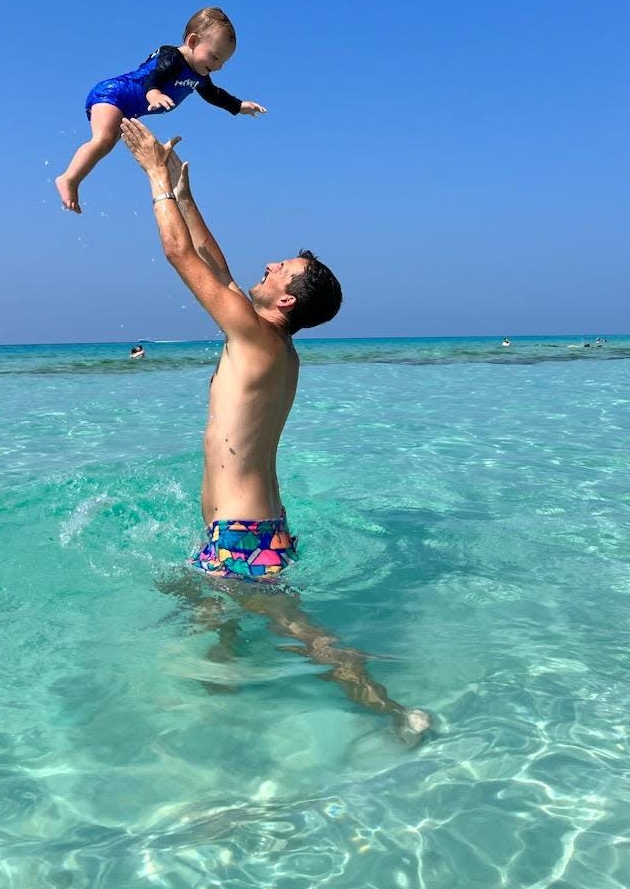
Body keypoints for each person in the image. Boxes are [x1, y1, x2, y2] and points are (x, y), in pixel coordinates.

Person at [119, 117, 431, 741]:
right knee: (216, 621)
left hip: (242, 533)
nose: (266, 265)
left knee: (300, 634)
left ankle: (395, 714)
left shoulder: (258, 342)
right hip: (243, 527)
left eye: (279, 269)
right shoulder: (267, 342)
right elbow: (216, 263)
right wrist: (182, 189)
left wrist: (153, 177)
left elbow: (182, 256)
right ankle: (219, 727)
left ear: (286, 301)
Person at [55, 7, 267, 213]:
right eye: (215, 57)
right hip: (113, 95)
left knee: (108, 143)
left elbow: (213, 94)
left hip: (127, 110)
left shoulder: (198, 75)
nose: (218, 66)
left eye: (223, 61)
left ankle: (73, 179)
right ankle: (68, 179)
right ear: (192, 41)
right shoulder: (172, 57)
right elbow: (154, 77)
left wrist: (239, 106)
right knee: (102, 140)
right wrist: (153, 93)